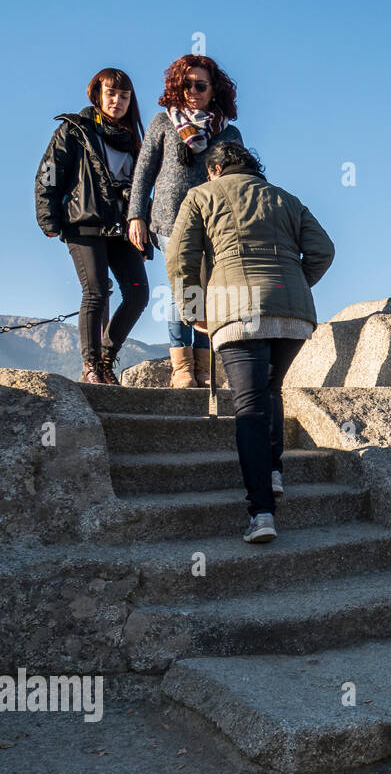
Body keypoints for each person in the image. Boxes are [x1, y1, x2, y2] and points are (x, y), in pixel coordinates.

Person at [166, 142, 334, 543]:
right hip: (292, 314)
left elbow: (179, 258)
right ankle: (273, 471)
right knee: (271, 390)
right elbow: (323, 251)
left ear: (215, 169)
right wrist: (291, 286)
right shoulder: (287, 198)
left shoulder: (201, 195)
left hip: (236, 309)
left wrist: (193, 311)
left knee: (249, 406)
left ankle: (262, 513)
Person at [128, 54, 242, 388]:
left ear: (213, 89)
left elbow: (237, 180)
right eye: (186, 84)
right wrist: (136, 214)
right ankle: (182, 368)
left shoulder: (229, 133)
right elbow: (144, 172)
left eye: (200, 85)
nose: (193, 90)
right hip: (168, 221)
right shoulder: (163, 123)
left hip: (213, 225)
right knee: (184, 290)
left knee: (208, 294)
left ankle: (204, 369)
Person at [35, 68, 151, 384]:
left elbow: (141, 194)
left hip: (122, 229)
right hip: (82, 223)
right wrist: (48, 217)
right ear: (98, 94)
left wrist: (146, 237)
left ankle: (106, 358)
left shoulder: (133, 140)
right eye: (111, 93)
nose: (117, 100)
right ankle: (91, 366)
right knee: (96, 291)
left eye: (124, 95)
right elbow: (49, 173)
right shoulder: (75, 130)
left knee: (139, 294)